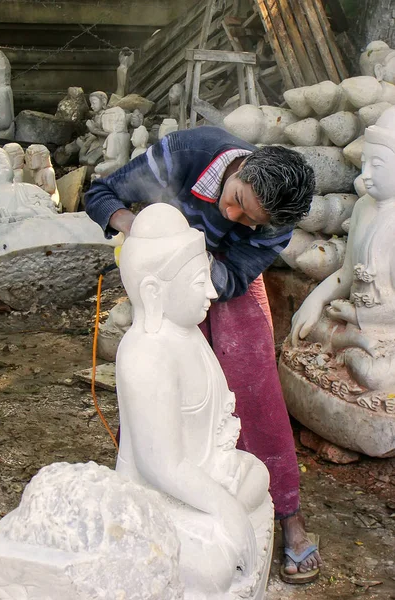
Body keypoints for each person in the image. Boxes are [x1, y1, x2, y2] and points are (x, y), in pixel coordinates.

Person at [85, 125, 322, 582]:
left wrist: (195, 269)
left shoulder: (276, 220)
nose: (232, 214)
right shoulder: (188, 152)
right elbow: (101, 193)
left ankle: (289, 512)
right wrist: (141, 233)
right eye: (234, 198)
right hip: (167, 287)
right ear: (242, 166)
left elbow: (231, 279)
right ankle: (160, 503)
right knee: (157, 403)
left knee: (254, 395)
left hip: (219, 285)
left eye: (247, 219)